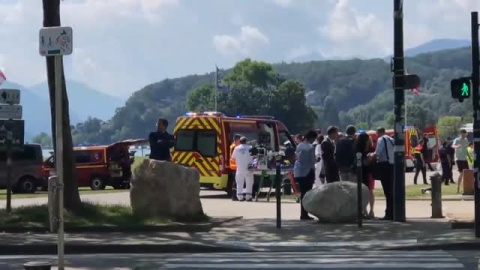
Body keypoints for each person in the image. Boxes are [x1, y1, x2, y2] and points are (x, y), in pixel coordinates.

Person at [294, 130, 317, 220]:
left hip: (299, 171)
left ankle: (303, 213)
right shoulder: (310, 147)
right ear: (311, 138)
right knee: (307, 194)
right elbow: (313, 161)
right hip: (307, 171)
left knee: (303, 193)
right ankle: (304, 214)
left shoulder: (299, 145)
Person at [374, 127, 394, 221]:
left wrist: (371, 157)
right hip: (392, 165)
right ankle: (393, 211)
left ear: (378, 132)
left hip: (384, 165)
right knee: (391, 190)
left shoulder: (381, 139)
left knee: (387, 190)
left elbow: (378, 152)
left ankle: (389, 213)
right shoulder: (391, 139)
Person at [355, 132, 376, 218]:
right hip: (370, 172)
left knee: (362, 191)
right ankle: (371, 210)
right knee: (370, 191)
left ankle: (364, 210)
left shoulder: (358, 148)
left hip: (361, 172)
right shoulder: (372, 148)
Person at [231, 137, 254, 202]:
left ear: (240, 141)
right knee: (249, 182)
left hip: (239, 169)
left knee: (239, 183)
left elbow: (233, 157)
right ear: (246, 141)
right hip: (249, 168)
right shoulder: (250, 147)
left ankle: (240, 197)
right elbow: (254, 156)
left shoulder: (236, 148)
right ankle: (248, 197)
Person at [453, 129, 469, 193]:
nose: (464, 135)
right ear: (461, 133)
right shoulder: (457, 139)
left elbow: (466, 148)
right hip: (459, 159)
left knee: (466, 173)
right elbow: (453, 145)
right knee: (462, 173)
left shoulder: (466, 140)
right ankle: (458, 187)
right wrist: (456, 146)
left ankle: (466, 188)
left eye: (465, 134)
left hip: (465, 159)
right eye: (463, 134)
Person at [229, 134, 242, 201]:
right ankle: (234, 196)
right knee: (236, 182)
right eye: (240, 140)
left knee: (236, 182)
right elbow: (234, 157)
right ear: (237, 140)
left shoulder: (234, 146)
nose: (240, 142)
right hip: (235, 167)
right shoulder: (234, 147)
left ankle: (235, 196)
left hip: (235, 166)